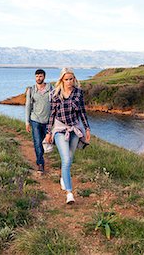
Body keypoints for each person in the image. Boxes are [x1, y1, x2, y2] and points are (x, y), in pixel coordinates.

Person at [45, 68, 91, 204]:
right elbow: (52, 114)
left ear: (74, 79)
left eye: (71, 79)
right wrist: (48, 132)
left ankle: (63, 177)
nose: (69, 81)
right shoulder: (55, 94)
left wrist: (87, 129)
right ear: (62, 80)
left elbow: (82, 112)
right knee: (65, 159)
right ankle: (69, 193)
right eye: (66, 79)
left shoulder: (78, 93)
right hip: (59, 129)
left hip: (74, 128)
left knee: (69, 159)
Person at [25, 69, 53, 174]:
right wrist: (27, 122)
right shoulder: (31, 90)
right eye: (37, 76)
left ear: (44, 77)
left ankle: (41, 156)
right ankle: (40, 163)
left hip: (48, 121)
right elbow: (28, 106)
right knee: (37, 142)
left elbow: (55, 104)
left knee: (45, 142)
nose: (38, 78)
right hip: (35, 120)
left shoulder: (51, 89)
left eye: (40, 76)